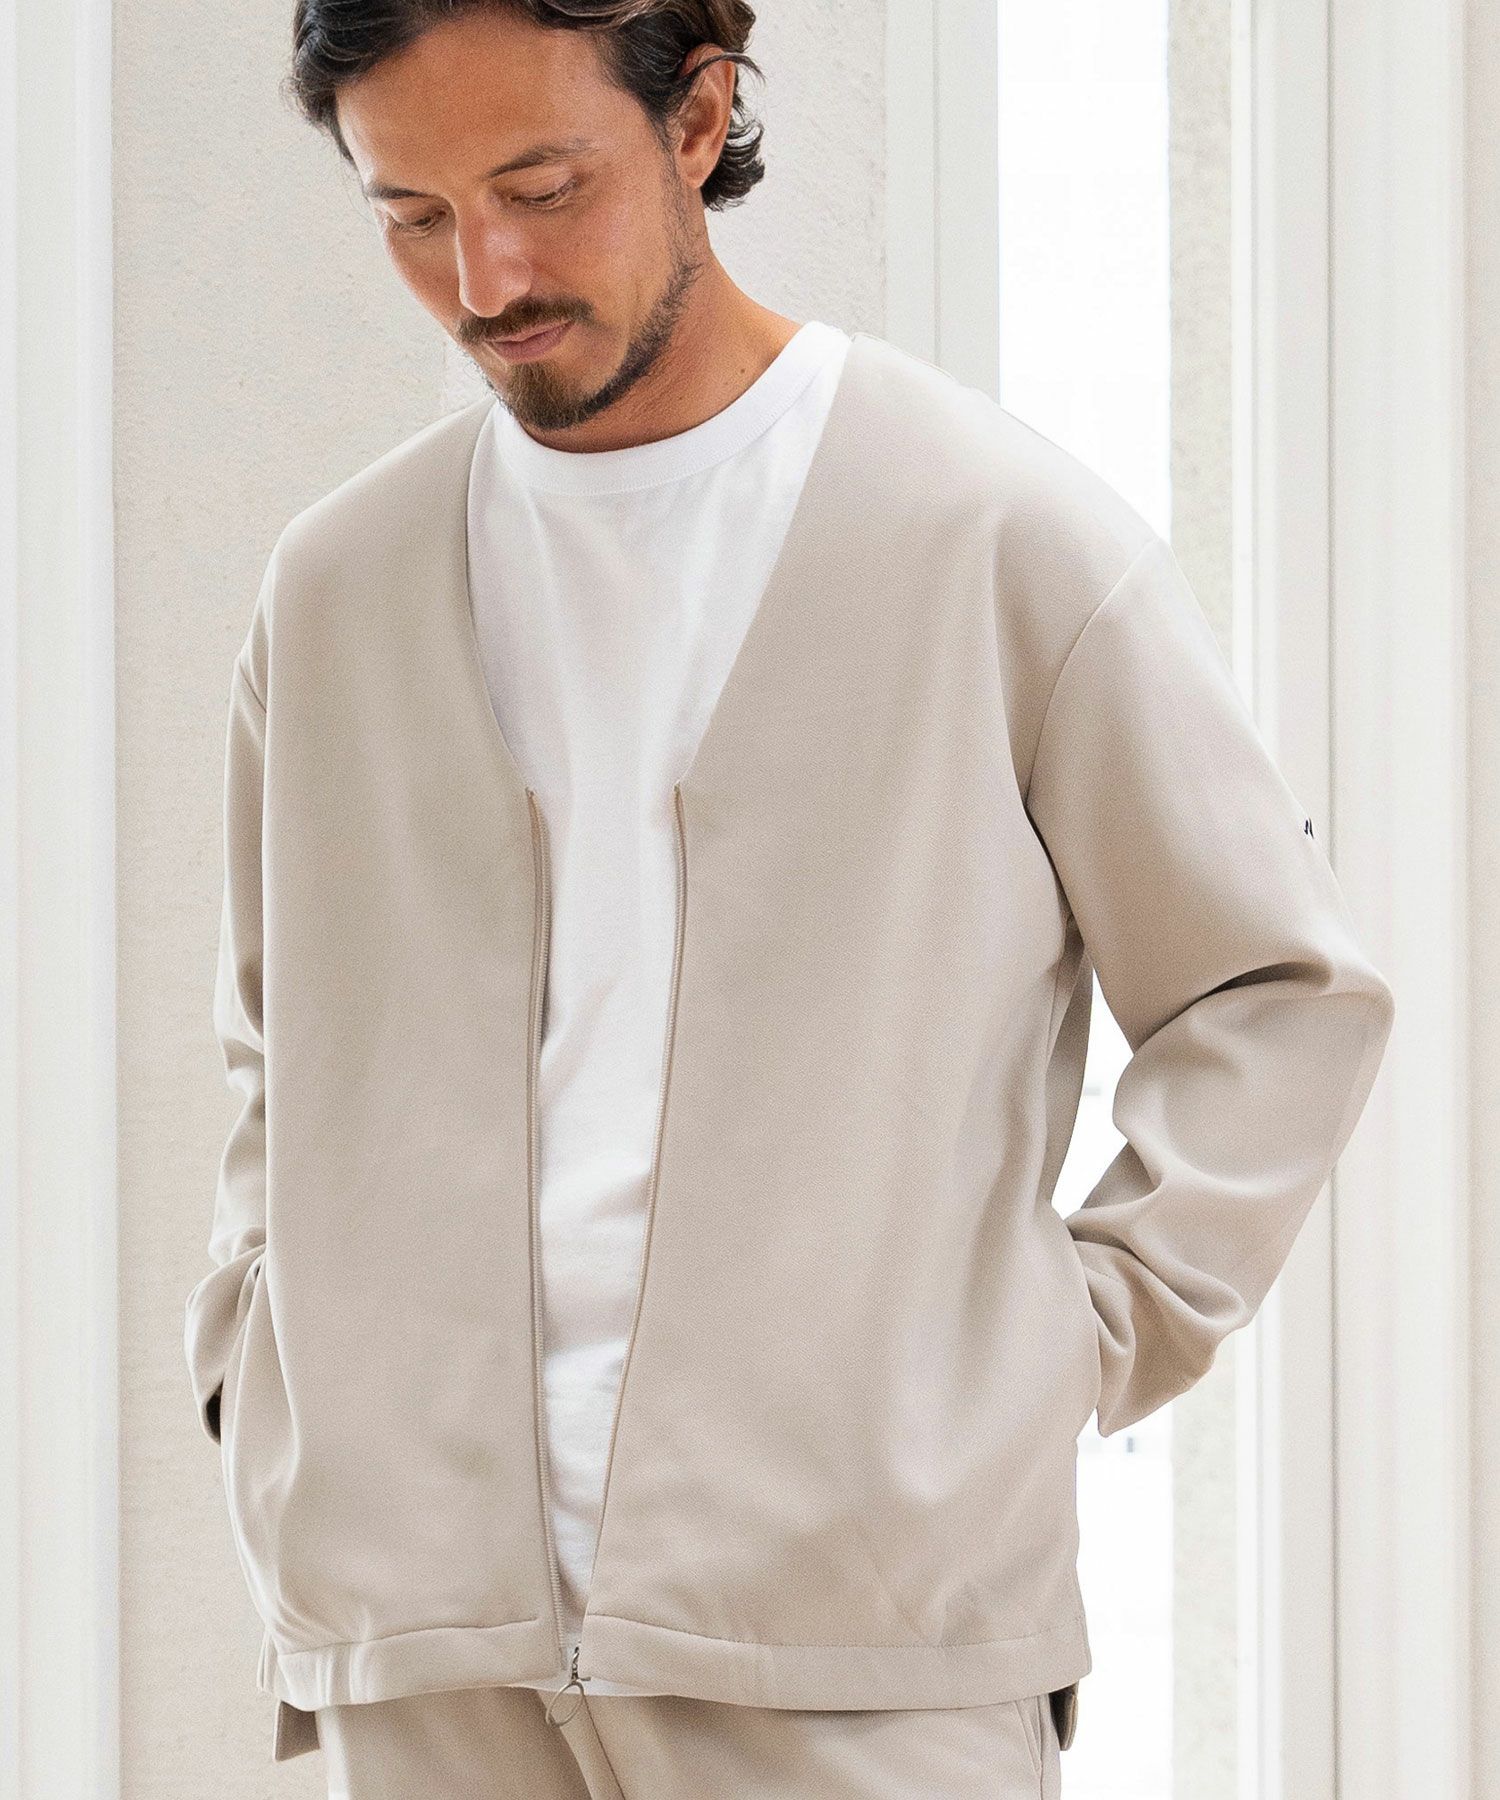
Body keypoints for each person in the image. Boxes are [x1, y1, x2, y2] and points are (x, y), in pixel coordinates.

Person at [183, 2, 1397, 1794]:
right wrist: (261, 1349)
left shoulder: (993, 535)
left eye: (541, 187)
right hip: (422, 1645)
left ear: (699, 117)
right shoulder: (336, 589)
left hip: (863, 1641)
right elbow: (280, 1051)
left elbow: (1274, 991)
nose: (484, 277)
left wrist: (1064, 1345)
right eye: (414, 215)